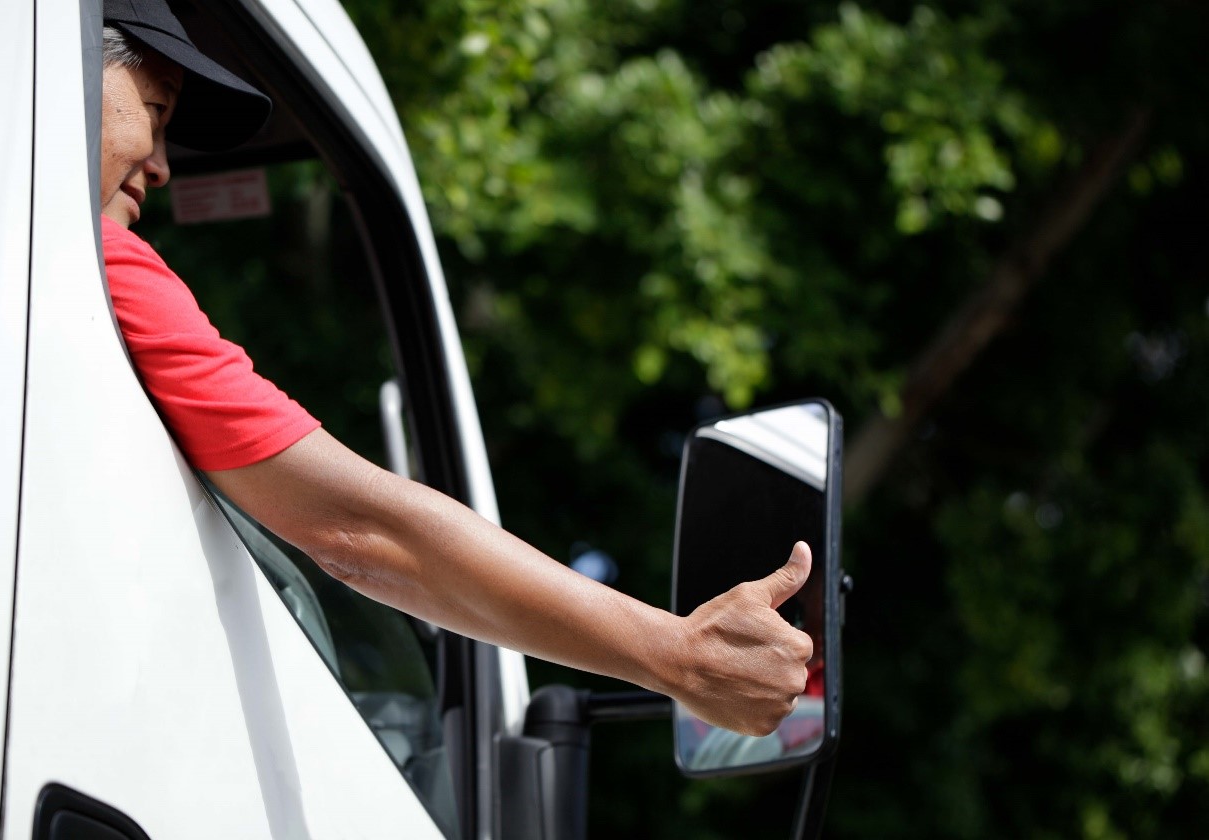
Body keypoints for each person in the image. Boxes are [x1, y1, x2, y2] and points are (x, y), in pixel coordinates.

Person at [98, 0, 813, 738]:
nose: (163, 166)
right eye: (155, 110)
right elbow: (358, 530)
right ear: (73, 74)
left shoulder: (52, 271)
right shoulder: (102, 264)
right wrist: (675, 655)